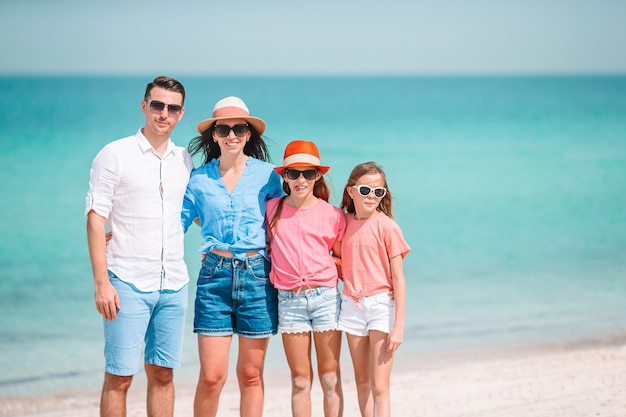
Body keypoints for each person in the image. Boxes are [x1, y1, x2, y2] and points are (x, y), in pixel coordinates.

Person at [85, 76, 193, 417]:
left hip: (174, 283)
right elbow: (94, 217)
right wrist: (102, 282)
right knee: (119, 377)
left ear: (181, 113)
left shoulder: (184, 159)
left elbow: (195, 213)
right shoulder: (115, 154)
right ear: (144, 106)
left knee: (163, 374)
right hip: (126, 282)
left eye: (172, 107)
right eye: (157, 105)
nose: (164, 113)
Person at [181, 96, 283, 417]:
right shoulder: (198, 179)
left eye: (239, 128)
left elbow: (287, 221)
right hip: (214, 277)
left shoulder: (269, 176)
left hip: (257, 277)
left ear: (249, 133)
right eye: (223, 129)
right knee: (212, 377)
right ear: (213, 135)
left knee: (250, 375)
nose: (232, 135)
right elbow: (174, 224)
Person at [266, 140, 345, 417]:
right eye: (293, 173)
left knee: (330, 377)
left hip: (325, 297)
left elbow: (342, 258)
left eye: (308, 173)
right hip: (289, 301)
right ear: (284, 175)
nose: (301, 180)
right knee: (300, 380)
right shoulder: (271, 209)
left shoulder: (333, 215)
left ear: (318, 175)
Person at [337, 162, 410, 417]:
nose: (372, 197)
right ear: (351, 191)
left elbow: (399, 279)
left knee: (380, 385)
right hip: (351, 306)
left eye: (378, 192)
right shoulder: (342, 222)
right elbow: (333, 255)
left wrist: (398, 325)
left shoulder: (387, 226)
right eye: (366, 190)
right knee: (362, 382)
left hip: (381, 306)